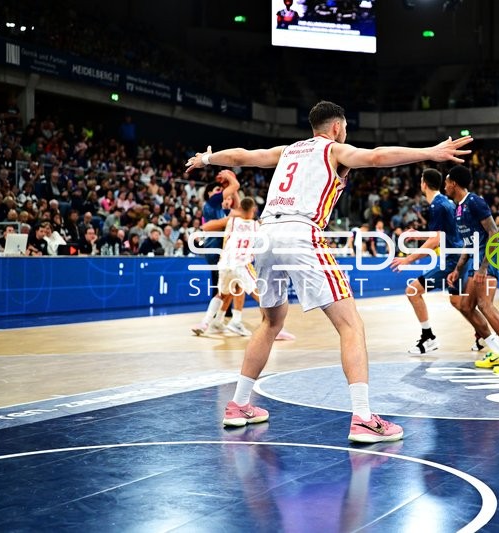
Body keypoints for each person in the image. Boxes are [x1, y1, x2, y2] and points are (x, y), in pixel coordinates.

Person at [186, 100, 472, 442]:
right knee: (350, 323)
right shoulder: (334, 150)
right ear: (337, 127)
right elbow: (378, 157)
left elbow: (242, 156)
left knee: (270, 322)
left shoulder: (288, 150)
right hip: (300, 231)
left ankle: (238, 405)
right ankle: (364, 418)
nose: (346, 133)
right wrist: (429, 152)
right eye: (346, 128)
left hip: (265, 234)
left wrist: (205, 159)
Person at [443, 165, 499, 375]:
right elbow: (468, 244)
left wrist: (483, 267)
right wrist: (457, 269)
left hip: (486, 262)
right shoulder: (459, 208)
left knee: (484, 305)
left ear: (453, 183)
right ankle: (497, 351)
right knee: (465, 305)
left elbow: (494, 233)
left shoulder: (475, 202)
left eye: (446, 183)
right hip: (474, 263)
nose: (445, 187)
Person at [389, 168, 468, 354]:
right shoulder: (445, 203)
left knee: (412, 291)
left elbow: (436, 240)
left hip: (452, 262)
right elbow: (444, 233)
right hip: (459, 258)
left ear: (423, 183)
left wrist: (408, 259)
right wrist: (421, 234)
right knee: (458, 302)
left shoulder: (437, 206)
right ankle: (486, 335)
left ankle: (428, 338)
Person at [198, 198, 295, 341]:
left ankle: (205, 323)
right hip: (241, 264)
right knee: (262, 295)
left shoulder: (232, 221)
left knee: (222, 294)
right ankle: (274, 328)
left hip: (225, 263)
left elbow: (205, 227)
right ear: (253, 210)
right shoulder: (257, 225)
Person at [193, 169, 242, 335]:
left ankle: (219, 317)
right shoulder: (212, 202)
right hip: (214, 248)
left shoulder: (222, 208)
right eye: (218, 190)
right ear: (210, 193)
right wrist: (230, 177)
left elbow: (240, 208)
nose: (221, 192)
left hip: (223, 250)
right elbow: (236, 186)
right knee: (224, 284)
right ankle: (216, 318)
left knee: (228, 284)